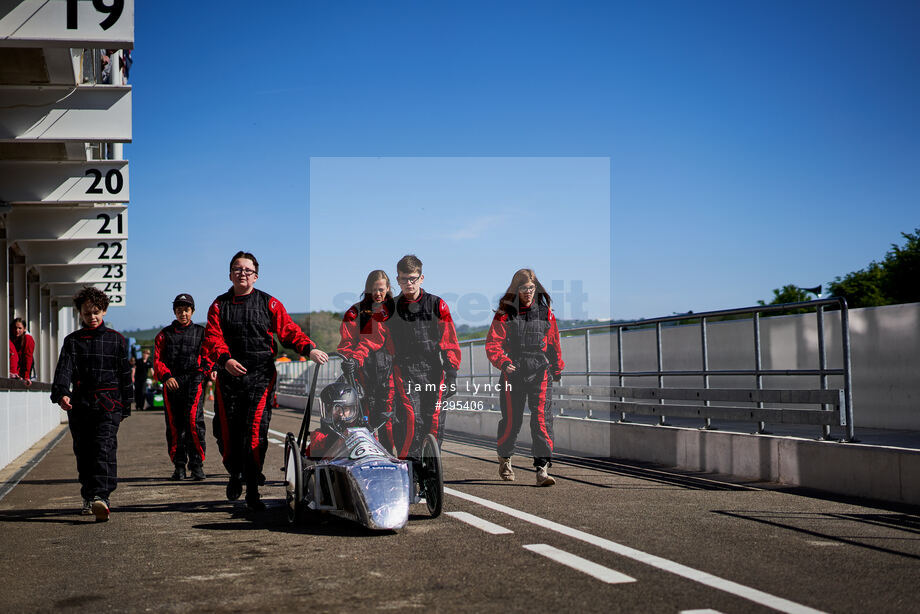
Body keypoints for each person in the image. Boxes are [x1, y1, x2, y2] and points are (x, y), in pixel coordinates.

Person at [201, 251, 328, 511]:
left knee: (255, 431)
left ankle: (253, 490)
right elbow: (212, 338)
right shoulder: (218, 305)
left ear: (256, 276)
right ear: (230, 275)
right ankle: (235, 473)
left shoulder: (269, 303)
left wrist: (309, 349)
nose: (243, 273)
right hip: (228, 377)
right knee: (227, 434)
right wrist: (224, 360)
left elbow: (289, 331)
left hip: (260, 376)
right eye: (238, 269)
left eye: (248, 270)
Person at [50, 287, 133, 521]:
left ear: (104, 311)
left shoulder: (116, 340)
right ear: (80, 314)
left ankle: (102, 497)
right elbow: (63, 370)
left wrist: (126, 404)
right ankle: (88, 496)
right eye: (87, 313)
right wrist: (62, 393)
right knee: (84, 452)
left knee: (104, 449)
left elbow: (125, 375)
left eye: (96, 312)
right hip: (81, 405)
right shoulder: (72, 342)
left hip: (109, 405)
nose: (92, 317)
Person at [485, 269, 565, 487]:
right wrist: (502, 362)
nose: (528, 292)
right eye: (523, 288)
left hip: (540, 372)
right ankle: (505, 459)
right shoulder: (505, 313)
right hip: (513, 373)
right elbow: (493, 344)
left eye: (531, 288)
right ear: (516, 289)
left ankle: (542, 469)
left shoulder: (546, 313)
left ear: (536, 288)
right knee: (512, 422)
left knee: (541, 420)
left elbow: (554, 343)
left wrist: (557, 367)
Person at [386, 255, 461, 459]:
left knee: (434, 420)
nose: (408, 283)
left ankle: (431, 468)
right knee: (411, 419)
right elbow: (376, 339)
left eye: (412, 278)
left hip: (434, 370)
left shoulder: (437, 304)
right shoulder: (390, 308)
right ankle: (410, 467)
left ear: (421, 278)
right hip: (404, 371)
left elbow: (449, 340)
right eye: (404, 279)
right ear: (398, 279)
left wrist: (452, 373)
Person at [337, 270, 396, 451]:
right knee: (362, 418)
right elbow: (346, 343)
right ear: (367, 289)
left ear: (387, 288)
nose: (377, 294)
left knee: (387, 419)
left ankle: (389, 456)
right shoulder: (355, 312)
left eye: (381, 289)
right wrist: (350, 362)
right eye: (373, 290)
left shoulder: (395, 310)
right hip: (360, 372)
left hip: (389, 372)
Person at [153, 294, 210, 481]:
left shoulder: (202, 332)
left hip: (194, 382)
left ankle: (197, 465)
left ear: (192, 311)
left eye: (186, 310)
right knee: (175, 426)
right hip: (172, 383)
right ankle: (179, 466)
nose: (183, 313)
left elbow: (209, 355)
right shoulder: (164, 334)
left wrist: (205, 373)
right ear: (174, 312)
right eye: (179, 310)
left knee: (194, 423)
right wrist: (166, 376)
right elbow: (158, 360)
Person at [9, 318, 35, 386]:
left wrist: (26, 376)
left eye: (20, 328)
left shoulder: (28, 339)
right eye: (15, 328)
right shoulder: (13, 338)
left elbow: (28, 357)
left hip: (25, 367)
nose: (17, 330)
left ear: (24, 329)